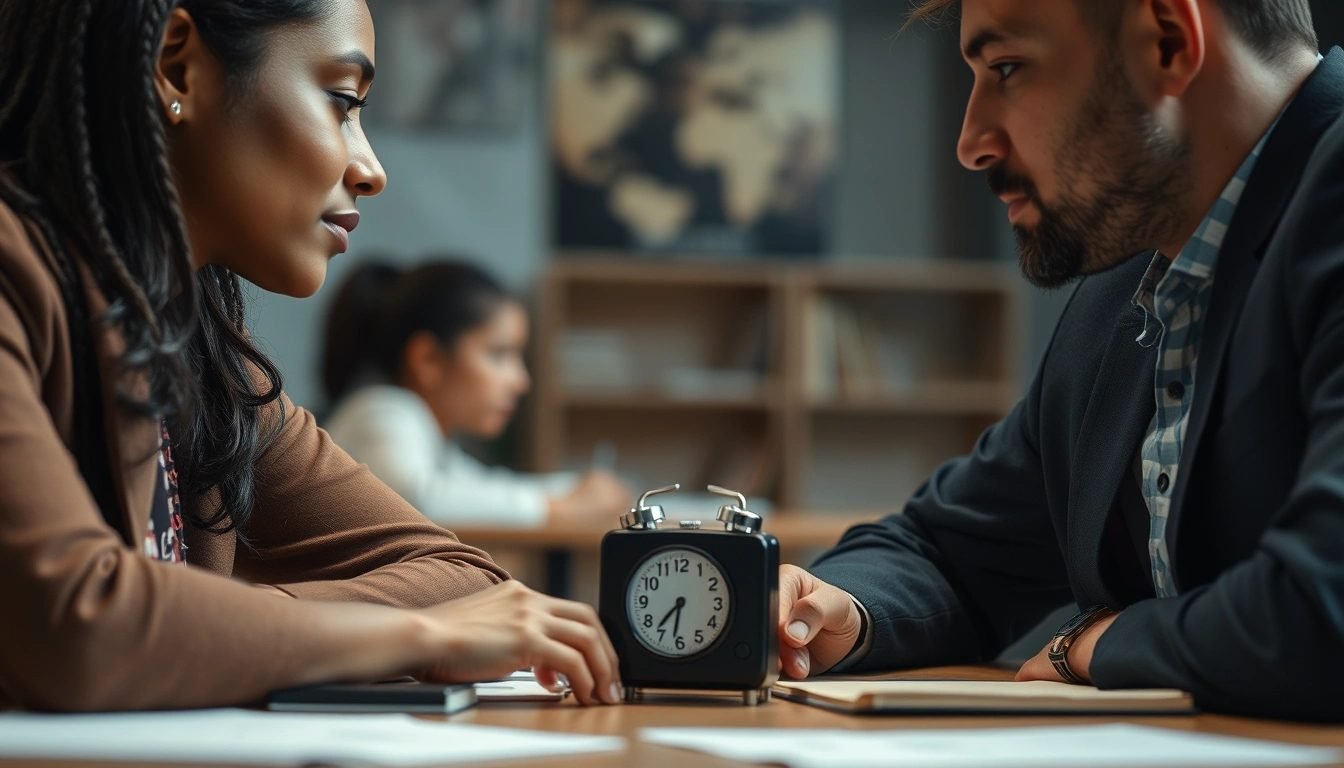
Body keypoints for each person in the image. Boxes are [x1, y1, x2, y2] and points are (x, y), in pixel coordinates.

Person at [0, 0, 622, 711]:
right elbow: (77, 630)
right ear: (178, 66)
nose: (371, 169)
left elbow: (462, 577)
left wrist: (187, 627)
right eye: (342, 103)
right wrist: (414, 635)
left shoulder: (208, 366)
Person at [776, 0, 1344, 722]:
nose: (970, 142)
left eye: (1008, 68)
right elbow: (950, 551)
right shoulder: (1129, 285)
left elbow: (1323, 610)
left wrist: (1092, 645)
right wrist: (842, 610)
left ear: (1167, 40)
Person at [320, 260, 632, 528]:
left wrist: (580, 489)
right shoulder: (382, 411)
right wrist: (559, 509)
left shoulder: (429, 438)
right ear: (428, 360)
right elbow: (420, 499)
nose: (521, 381)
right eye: (498, 354)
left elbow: (485, 488)